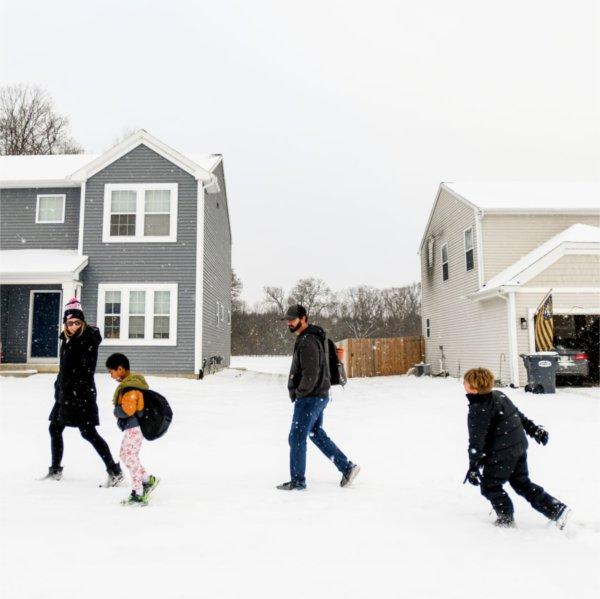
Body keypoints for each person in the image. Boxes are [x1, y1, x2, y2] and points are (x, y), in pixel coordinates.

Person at [463, 367, 570, 529]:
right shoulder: (499, 395)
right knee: (522, 483)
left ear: (473, 388)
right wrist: (534, 430)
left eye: (465, 381)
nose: (463, 384)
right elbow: (518, 415)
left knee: (490, 486)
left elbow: (476, 441)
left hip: (502, 453)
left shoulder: (479, 409)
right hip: (518, 447)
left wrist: (473, 466)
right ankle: (557, 510)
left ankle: (505, 519)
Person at [277, 304, 360, 491]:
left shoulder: (307, 340)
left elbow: (311, 373)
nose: (289, 323)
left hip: (310, 397)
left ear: (304, 318)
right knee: (315, 433)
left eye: (293, 319)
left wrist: (299, 392)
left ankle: (298, 481)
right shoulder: (314, 337)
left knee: (297, 437)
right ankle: (347, 467)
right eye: (288, 320)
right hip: (319, 395)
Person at [44, 297, 123, 487]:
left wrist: (72, 390)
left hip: (80, 395)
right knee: (55, 428)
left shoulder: (87, 340)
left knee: (88, 432)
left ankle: (114, 471)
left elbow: (84, 370)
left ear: (83, 323)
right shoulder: (68, 339)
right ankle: (55, 469)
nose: (73, 326)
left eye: (77, 322)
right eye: (70, 323)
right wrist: (59, 388)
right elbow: (65, 369)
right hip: (64, 394)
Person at [106, 352, 159, 506]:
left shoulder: (130, 388)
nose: (111, 375)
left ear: (120, 369)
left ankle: (138, 492)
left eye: (112, 371)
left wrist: (116, 411)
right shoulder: (130, 385)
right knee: (125, 454)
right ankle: (148, 480)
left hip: (135, 427)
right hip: (132, 427)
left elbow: (127, 410)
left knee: (130, 457)